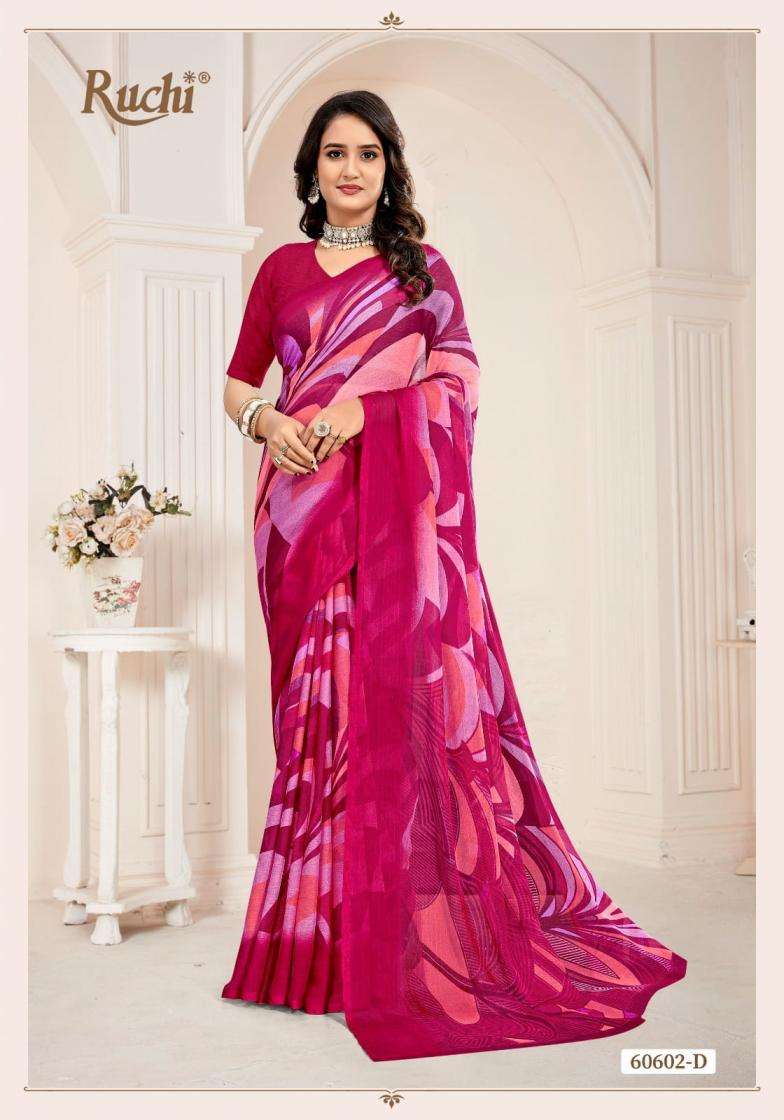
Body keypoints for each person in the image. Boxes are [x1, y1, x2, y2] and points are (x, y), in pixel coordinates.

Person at [220, 89, 687, 1063]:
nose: (351, 169)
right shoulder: (279, 271)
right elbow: (239, 382)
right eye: (335, 153)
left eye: (369, 154)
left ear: (389, 169)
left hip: (392, 526)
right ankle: (308, 952)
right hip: (296, 516)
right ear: (311, 169)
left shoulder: (423, 271)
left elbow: (460, 379)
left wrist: (365, 411)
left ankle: (392, 951)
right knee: (313, 724)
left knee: (391, 717)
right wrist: (268, 420)